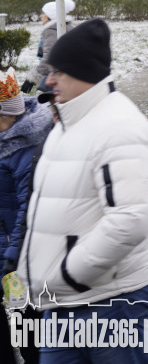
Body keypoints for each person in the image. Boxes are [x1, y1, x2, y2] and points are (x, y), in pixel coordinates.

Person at [18, 19, 148, 362]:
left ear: (84, 74)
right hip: (62, 301)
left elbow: (129, 219)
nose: (48, 80)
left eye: (58, 72)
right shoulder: (68, 123)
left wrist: (67, 274)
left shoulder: (119, 126)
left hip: (111, 305)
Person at [0, 69, 50, 364]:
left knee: (26, 322)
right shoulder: (5, 140)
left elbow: (26, 209)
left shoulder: (22, 150)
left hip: (15, 259)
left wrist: (12, 257)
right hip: (6, 249)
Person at [22, 0, 75, 93]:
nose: (41, 16)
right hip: (69, 72)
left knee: (48, 100)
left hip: (56, 73)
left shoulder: (51, 30)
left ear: (50, 16)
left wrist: (31, 79)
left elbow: (49, 57)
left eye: (43, 13)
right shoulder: (66, 26)